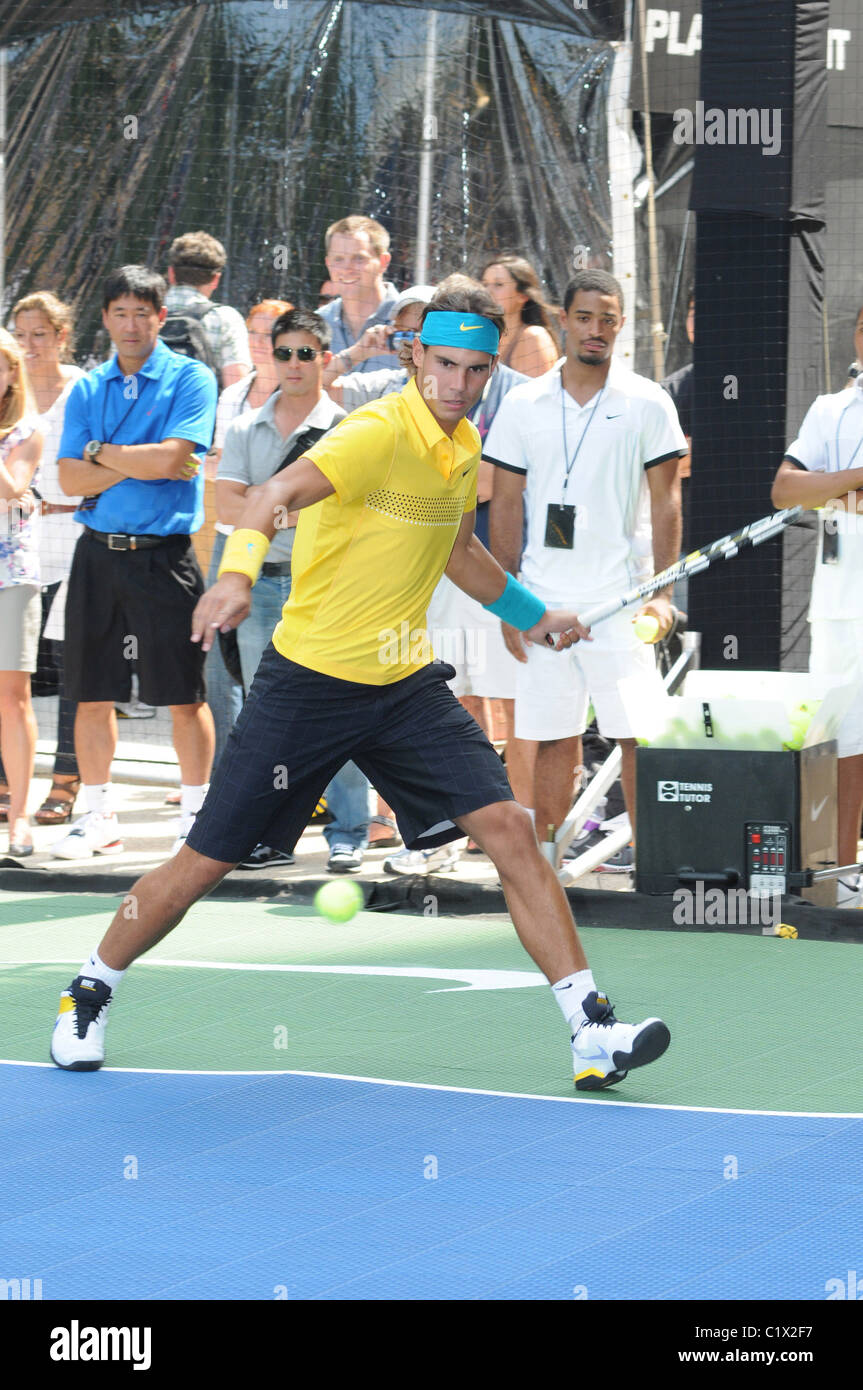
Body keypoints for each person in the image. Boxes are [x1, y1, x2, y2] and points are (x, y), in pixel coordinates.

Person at [48, 281, 672, 1096]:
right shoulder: (373, 433)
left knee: (511, 830)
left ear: (490, 373)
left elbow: (458, 555)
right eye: (442, 364)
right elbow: (268, 497)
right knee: (204, 861)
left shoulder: (457, 448)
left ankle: (591, 1029)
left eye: (474, 370)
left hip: (403, 682)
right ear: (415, 356)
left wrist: (533, 612)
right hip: (309, 684)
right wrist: (234, 578)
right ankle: (90, 990)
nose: (455, 383)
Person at [486, 269, 686, 871]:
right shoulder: (522, 403)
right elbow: (506, 502)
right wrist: (507, 601)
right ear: (562, 321)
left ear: (619, 327)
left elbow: (667, 500)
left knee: (638, 738)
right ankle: (547, 865)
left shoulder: (648, 401)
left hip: (622, 602)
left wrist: (661, 593)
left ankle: (654, 867)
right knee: (550, 737)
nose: (595, 329)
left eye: (608, 319)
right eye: (584, 317)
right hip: (543, 601)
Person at [51, 265, 217, 860]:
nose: (130, 323)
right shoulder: (89, 388)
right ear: (105, 318)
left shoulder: (191, 379)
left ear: (160, 317)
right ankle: (97, 818)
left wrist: (101, 452)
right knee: (91, 694)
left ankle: (197, 819)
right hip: (96, 556)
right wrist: (134, 460)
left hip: (165, 560)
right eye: (119, 312)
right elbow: (68, 477)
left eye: (141, 312)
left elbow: (175, 460)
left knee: (183, 697)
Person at [216, 307, 347, 871]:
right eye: (284, 353)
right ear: (270, 358)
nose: (294, 365)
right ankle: (261, 834)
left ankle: (351, 832)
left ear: (326, 359)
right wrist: (290, 511)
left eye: (306, 353)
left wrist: (268, 509)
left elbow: (342, 513)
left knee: (339, 707)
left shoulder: (347, 428)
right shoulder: (244, 427)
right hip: (254, 587)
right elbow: (224, 505)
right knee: (259, 714)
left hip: (321, 589)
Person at [771, 302, 863, 903]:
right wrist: (855, 479)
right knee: (842, 742)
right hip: (842, 606)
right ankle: (841, 878)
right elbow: (784, 489)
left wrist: (837, 484)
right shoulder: (831, 410)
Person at [201, 298, 293, 772]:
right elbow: (220, 479)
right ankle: (227, 776)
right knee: (219, 668)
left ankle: (282, 784)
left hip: (285, 555)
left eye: (270, 336)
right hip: (226, 542)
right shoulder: (231, 395)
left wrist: (253, 494)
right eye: (254, 334)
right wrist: (259, 494)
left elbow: (292, 496)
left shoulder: (308, 404)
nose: (261, 344)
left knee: (271, 673)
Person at [0, 328, 43, 856]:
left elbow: (12, 488)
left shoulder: (26, 432)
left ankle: (20, 818)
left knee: (13, 700)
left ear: (12, 372)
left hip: (11, 578)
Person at [165, 231, 252, 389]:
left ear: (171, 273)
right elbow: (236, 389)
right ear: (215, 279)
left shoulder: (141, 314)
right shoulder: (226, 319)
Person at [326, 284, 436, 411]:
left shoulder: (458, 386)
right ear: (394, 334)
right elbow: (315, 388)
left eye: (426, 333)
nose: (418, 344)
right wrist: (359, 352)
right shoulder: (386, 386)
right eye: (408, 333)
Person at [319, 215, 400, 385]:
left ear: (383, 262)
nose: (346, 269)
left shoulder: (411, 321)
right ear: (328, 264)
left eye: (358, 258)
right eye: (338, 259)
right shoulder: (317, 325)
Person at [480, 255, 560, 378]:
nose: (487, 292)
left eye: (498, 284)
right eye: (485, 284)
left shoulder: (533, 337)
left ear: (523, 296)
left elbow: (537, 396)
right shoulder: (485, 337)